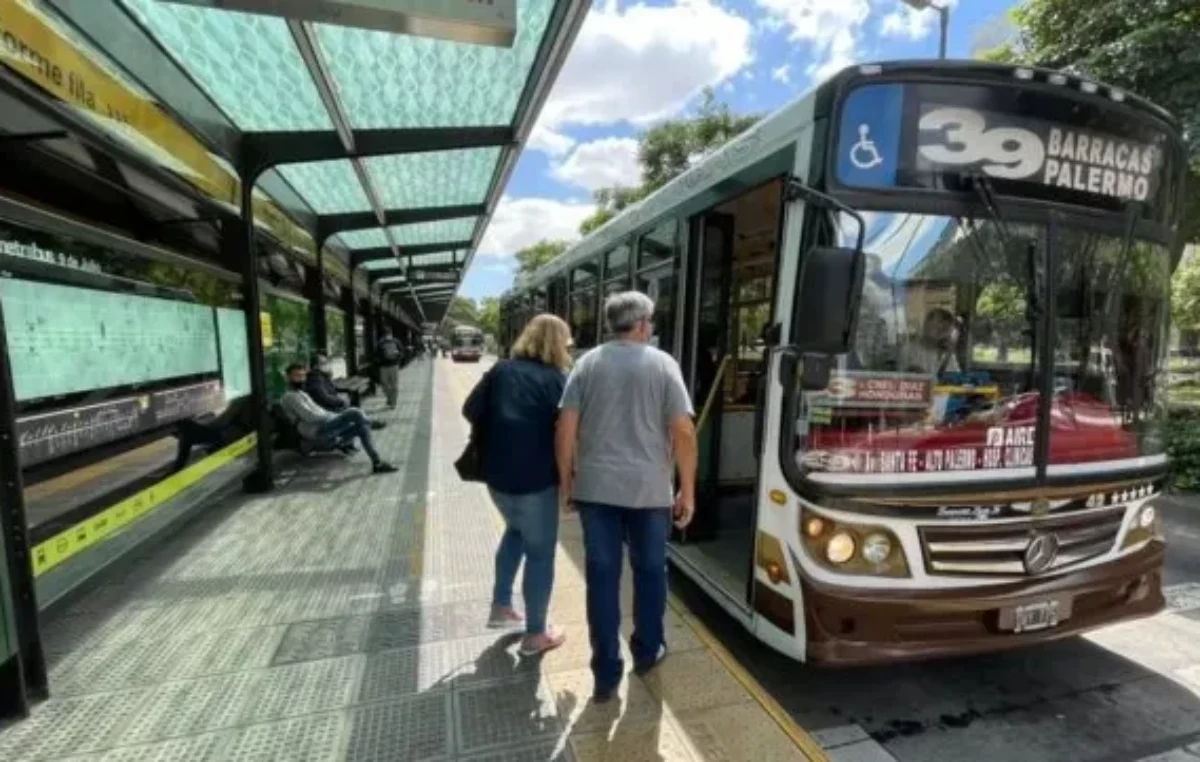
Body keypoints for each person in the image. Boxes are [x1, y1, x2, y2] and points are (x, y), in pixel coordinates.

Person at [556, 291, 698, 701]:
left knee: (601, 577)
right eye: (650, 321)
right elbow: (684, 431)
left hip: (596, 491)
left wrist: (567, 484)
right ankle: (648, 650)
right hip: (650, 491)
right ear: (640, 324)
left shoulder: (586, 363)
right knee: (651, 571)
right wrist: (687, 490)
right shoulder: (662, 364)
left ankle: (605, 673)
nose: (651, 328)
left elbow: (565, 428)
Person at [464, 314, 573, 656]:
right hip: (536, 480)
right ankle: (536, 635)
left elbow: (470, 408)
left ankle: (501, 607)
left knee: (514, 532)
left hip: (497, 477)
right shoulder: (557, 379)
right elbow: (567, 433)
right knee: (540, 555)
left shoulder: (500, 370)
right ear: (558, 343)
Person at [280, 363, 397, 474]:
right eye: (296, 376)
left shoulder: (301, 393)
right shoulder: (290, 396)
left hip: (327, 429)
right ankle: (370, 421)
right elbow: (310, 417)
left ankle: (377, 463)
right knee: (354, 412)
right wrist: (338, 417)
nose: (300, 379)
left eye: (302, 376)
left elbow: (321, 412)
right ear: (288, 378)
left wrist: (337, 417)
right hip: (316, 432)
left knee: (362, 427)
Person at [306, 354, 386, 430]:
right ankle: (369, 422)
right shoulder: (315, 380)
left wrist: (346, 390)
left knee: (354, 408)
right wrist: (340, 401)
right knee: (354, 412)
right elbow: (324, 397)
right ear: (316, 366)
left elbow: (333, 388)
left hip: (333, 406)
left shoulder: (322, 376)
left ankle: (368, 421)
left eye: (327, 362)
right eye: (324, 363)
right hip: (328, 410)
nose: (327, 364)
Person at [377, 328, 403, 408]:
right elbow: (377, 353)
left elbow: (402, 352)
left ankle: (393, 403)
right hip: (384, 366)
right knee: (384, 385)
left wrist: (398, 356)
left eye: (389, 333)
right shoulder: (380, 343)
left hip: (393, 366)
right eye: (386, 334)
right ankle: (390, 398)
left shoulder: (396, 342)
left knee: (394, 385)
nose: (388, 335)